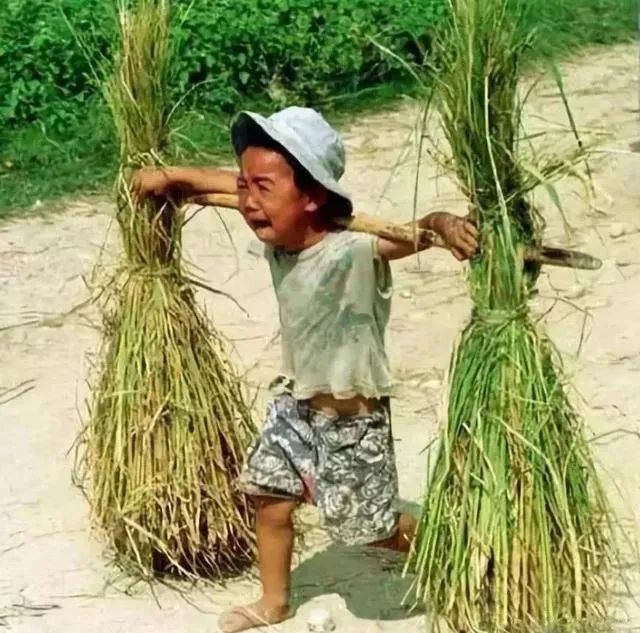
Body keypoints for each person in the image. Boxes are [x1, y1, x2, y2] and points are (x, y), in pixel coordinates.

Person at [133, 106, 478, 633]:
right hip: (294, 406)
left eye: (263, 189)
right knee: (268, 497)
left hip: (351, 421)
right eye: (245, 186)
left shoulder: (355, 251)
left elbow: (418, 234)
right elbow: (231, 186)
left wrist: (442, 224)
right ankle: (274, 602)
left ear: (312, 196)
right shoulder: (280, 241)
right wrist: (175, 177)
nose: (248, 201)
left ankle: (450, 548)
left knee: (373, 530)